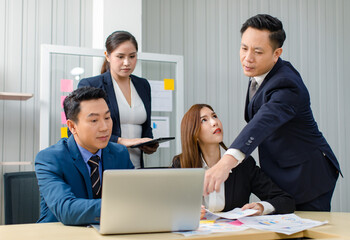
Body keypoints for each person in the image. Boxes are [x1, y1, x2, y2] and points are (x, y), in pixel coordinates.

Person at [203, 14, 341, 211]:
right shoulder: (259, 72)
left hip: (306, 176)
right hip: (279, 170)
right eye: (244, 48)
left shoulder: (287, 84)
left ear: (277, 53)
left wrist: (225, 164)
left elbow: (263, 121)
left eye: (258, 52)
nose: (247, 58)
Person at [173, 104, 295, 217]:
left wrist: (262, 207)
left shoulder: (242, 164)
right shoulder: (181, 164)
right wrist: (186, 211)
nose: (214, 122)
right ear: (193, 133)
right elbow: (166, 205)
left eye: (214, 116)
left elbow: (285, 200)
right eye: (204, 120)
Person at [35, 87, 134, 225]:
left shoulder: (120, 154)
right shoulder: (50, 159)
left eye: (107, 117)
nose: (104, 127)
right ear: (72, 126)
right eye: (94, 120)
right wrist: (125, 206)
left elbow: (135, 196)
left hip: (109, 231)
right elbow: (67, 210)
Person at [78, 31, 158, 168]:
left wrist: (149, 142)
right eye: (120, 57)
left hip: (137, 165)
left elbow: (146, 127)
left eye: (132, 56)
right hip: (104, 165)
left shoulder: (143, 85)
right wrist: (122, 141)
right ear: (107, 56)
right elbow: (81, 130)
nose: (127, 63)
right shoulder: (91, 85)